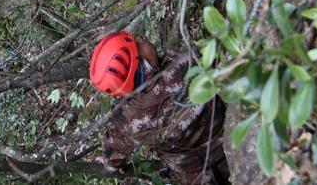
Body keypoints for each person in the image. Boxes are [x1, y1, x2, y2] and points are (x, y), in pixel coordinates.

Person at [90, 30, 229, 185]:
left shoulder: (128, 121)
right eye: (139, 43)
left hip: (198, 176)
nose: (142, 38)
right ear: (142, 65)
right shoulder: (185, 63)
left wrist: (109, 163)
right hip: (232, 136)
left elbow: (113, 157)